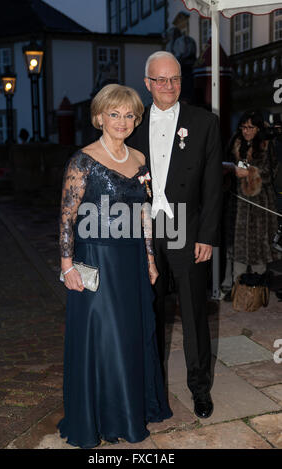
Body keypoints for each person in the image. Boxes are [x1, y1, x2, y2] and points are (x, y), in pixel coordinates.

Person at [57, 84, 172, 449]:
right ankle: (103, 417)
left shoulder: (140, 159)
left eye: (128, 115)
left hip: (132, 260)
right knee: (103, 338)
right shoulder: (82, 160)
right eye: (114, 114)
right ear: (99, 117)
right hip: (96, 260)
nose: (121, 121)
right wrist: (66, 266)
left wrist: (150, 259)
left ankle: (130, 410)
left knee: (133, 335)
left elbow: (144, 215)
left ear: (135, 119)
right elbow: (66, 217)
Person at [128, 51, 223, 419]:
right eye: (161, 80)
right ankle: (152, 386)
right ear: (148, 83)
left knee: (194, 312)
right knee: (148, 311)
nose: (169, 86)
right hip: (146, 231)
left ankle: (200, 389)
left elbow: (213, 186)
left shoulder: (205, 122)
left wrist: (207, 235)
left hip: (188, 228)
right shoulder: (130, 125)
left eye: (175, 79)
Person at [223, 110, 280, 284]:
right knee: (237, 246)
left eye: (250, 127)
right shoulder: (235, 141)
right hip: (238, 202)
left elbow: (271, 173)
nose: (246, 131)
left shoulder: (266, 144)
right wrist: (231, 170)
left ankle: (258, 287)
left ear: (258, 128)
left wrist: (250, 173)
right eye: (243, 127)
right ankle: (236, 286)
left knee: (258, 247)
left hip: (259, 204)